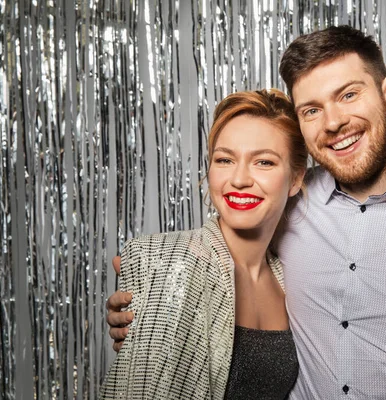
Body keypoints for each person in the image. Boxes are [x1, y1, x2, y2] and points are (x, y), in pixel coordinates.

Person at [106, 26, 386, 399]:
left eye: (348, 95)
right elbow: (223, 242)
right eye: (311, 109)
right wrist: (155, 302)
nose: (333, 122)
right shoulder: (291, 203)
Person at [100, 89, 307, 399]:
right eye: (225, 159)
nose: (239, 179)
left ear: (295, 179)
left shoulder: (288, 276)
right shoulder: (175, 262)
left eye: (263, 162)